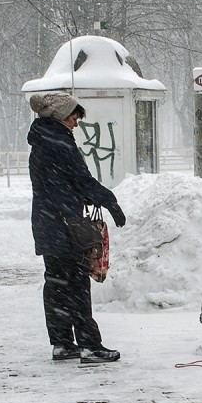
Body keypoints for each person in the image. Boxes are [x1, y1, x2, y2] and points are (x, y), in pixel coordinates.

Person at [28, 91, 126, 364]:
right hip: (64, 224)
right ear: (60, 116)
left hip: (47, 222)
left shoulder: (41, 141)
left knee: (57, 283)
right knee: (76, 284)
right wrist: (110, 201)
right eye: (74, 116)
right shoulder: (58, 142)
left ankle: (62, 343)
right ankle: (89, 346)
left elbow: (60, 184)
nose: (76, 122)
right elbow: (81, 180)